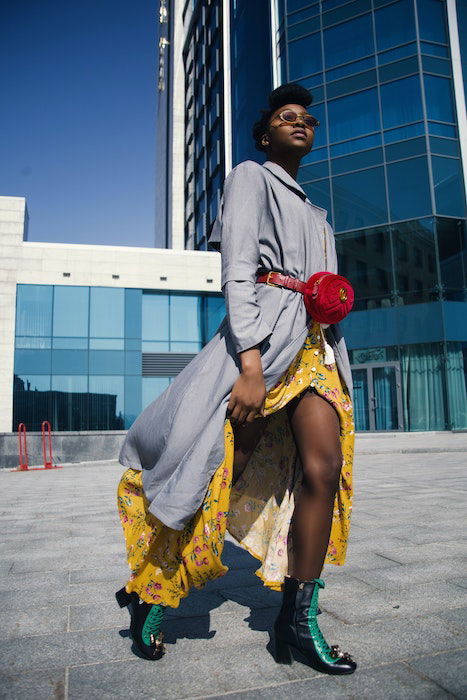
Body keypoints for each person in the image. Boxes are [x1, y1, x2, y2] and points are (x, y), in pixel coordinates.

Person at [115, 82, 356, 675]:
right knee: (220, 468)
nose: (300, 122)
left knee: (324, 471)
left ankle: (296, 622)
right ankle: (157, 590)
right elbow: (238, 269)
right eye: (286, 116)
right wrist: (249, 360)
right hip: (266, 343)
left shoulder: (319, 214)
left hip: (316, 349)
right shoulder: (251, 177)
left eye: (307, 118)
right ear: (266, 132)